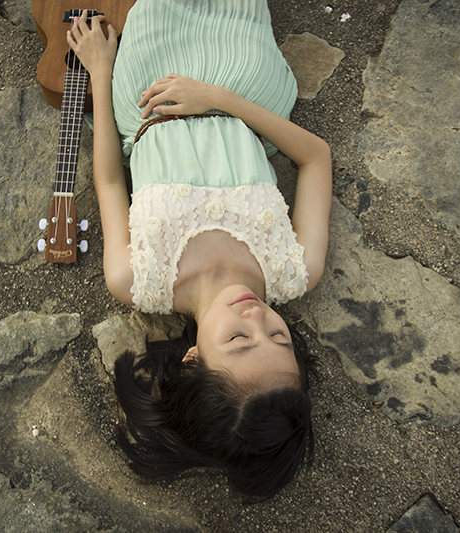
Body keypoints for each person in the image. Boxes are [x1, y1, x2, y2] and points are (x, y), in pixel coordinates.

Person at [67, 0, 333, 497]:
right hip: (240, 81)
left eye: (239, 341)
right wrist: (220, 98)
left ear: (192, 360)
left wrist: (100, 75)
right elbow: (316, 157)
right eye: (281, 340)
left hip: (148, 95)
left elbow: (107, 179)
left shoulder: (135, 278)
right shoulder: (295, 268)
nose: (257, 319)